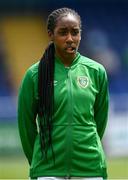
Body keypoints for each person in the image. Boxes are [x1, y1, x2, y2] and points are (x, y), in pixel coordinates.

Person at [18, 7, 109, 180]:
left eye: (75, 33)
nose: (70, 39)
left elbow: (100, 122)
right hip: (48, 171)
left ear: (80, 35)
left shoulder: (96, 71)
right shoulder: (34, 75)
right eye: (63, 33)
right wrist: (41, 160)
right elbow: (26, 127)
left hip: (90, 168)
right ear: (50, 34)